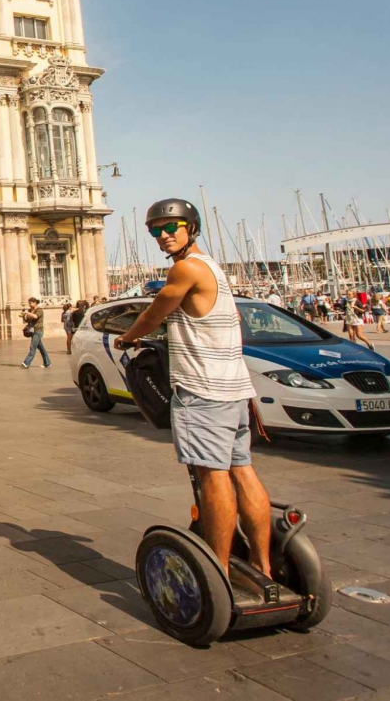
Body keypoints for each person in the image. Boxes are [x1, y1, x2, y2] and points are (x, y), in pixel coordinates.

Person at [114, 198, 272, 579]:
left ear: (191, 228)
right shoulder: (214, 268)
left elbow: (154, 314)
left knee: (212, 476)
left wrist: (128, 337)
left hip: (204, 390)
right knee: (242, 470)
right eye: (155, 230)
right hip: (235, 389)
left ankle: (216, 570)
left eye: (172, 227)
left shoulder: (185, 270)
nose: (163, 235)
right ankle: (262, 565)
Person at [21, 297, 50, 369]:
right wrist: (23, 316)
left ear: (35, 302)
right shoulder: (30, 310)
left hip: (38, 330)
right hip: (32, 331)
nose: (29, 305)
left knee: (32, 346)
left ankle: (26, 363)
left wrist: (28, 313)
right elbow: (27, 320)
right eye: (29, 303)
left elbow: (35, 316)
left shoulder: (39, 310)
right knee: (41, 348)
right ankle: (47, 362)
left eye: (30, 303)